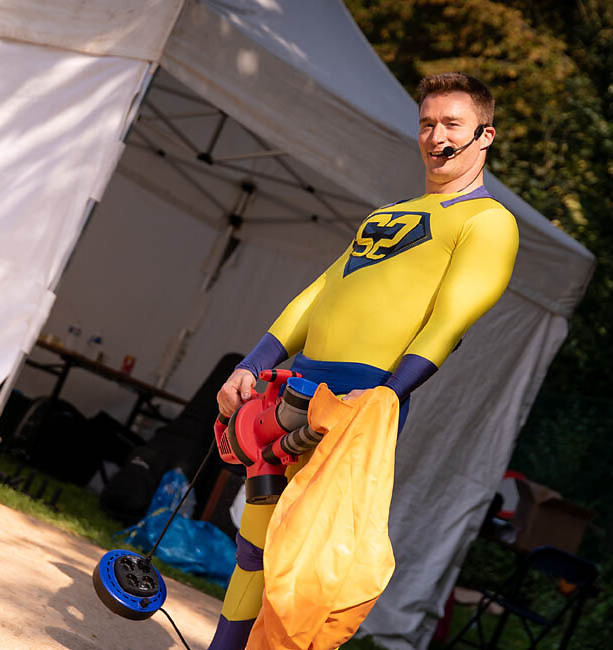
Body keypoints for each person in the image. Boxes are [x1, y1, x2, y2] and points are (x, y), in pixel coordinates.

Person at [208, 72, 519, 649]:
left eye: (452, 124)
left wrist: (388, 394)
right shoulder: (388, 213)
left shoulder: (489, 222)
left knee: (308, 568)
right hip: (292, 386)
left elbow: (449, 322)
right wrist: (249, 364)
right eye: (427, 123)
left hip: (358, 403)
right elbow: (320, 292)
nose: (437, 136)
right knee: (254, 547)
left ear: (485, 135)